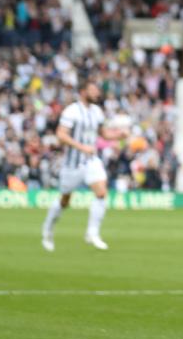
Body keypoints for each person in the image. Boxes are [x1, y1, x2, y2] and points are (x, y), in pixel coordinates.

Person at [42, 80, 129, 252]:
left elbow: (103, 133)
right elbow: (61, 135)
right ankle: (48, 229)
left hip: (91, 160)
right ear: (83, 91)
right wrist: (82, 147)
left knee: (101, 192)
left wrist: (119, 135)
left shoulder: (97, 111)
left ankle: (92, 233)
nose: (97, 93)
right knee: (65, 200)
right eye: (93, 90)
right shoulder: (71, 111)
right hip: (72, 163)